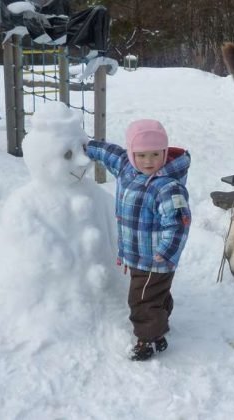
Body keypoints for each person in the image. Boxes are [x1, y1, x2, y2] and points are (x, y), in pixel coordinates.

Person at [84, 119, 191, 361]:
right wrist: (85, 147)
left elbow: (178, 224)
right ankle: (158, 325)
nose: (149, 161)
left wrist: (164, 252)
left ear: (164, 152)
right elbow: (110, 153)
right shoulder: (127, 167)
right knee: (155, 294)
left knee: (141, 300)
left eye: (155, 154)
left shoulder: (167, 187)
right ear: (132, 154)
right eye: (141, 155)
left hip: (155, 258)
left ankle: (148, 340)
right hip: (138, 255)